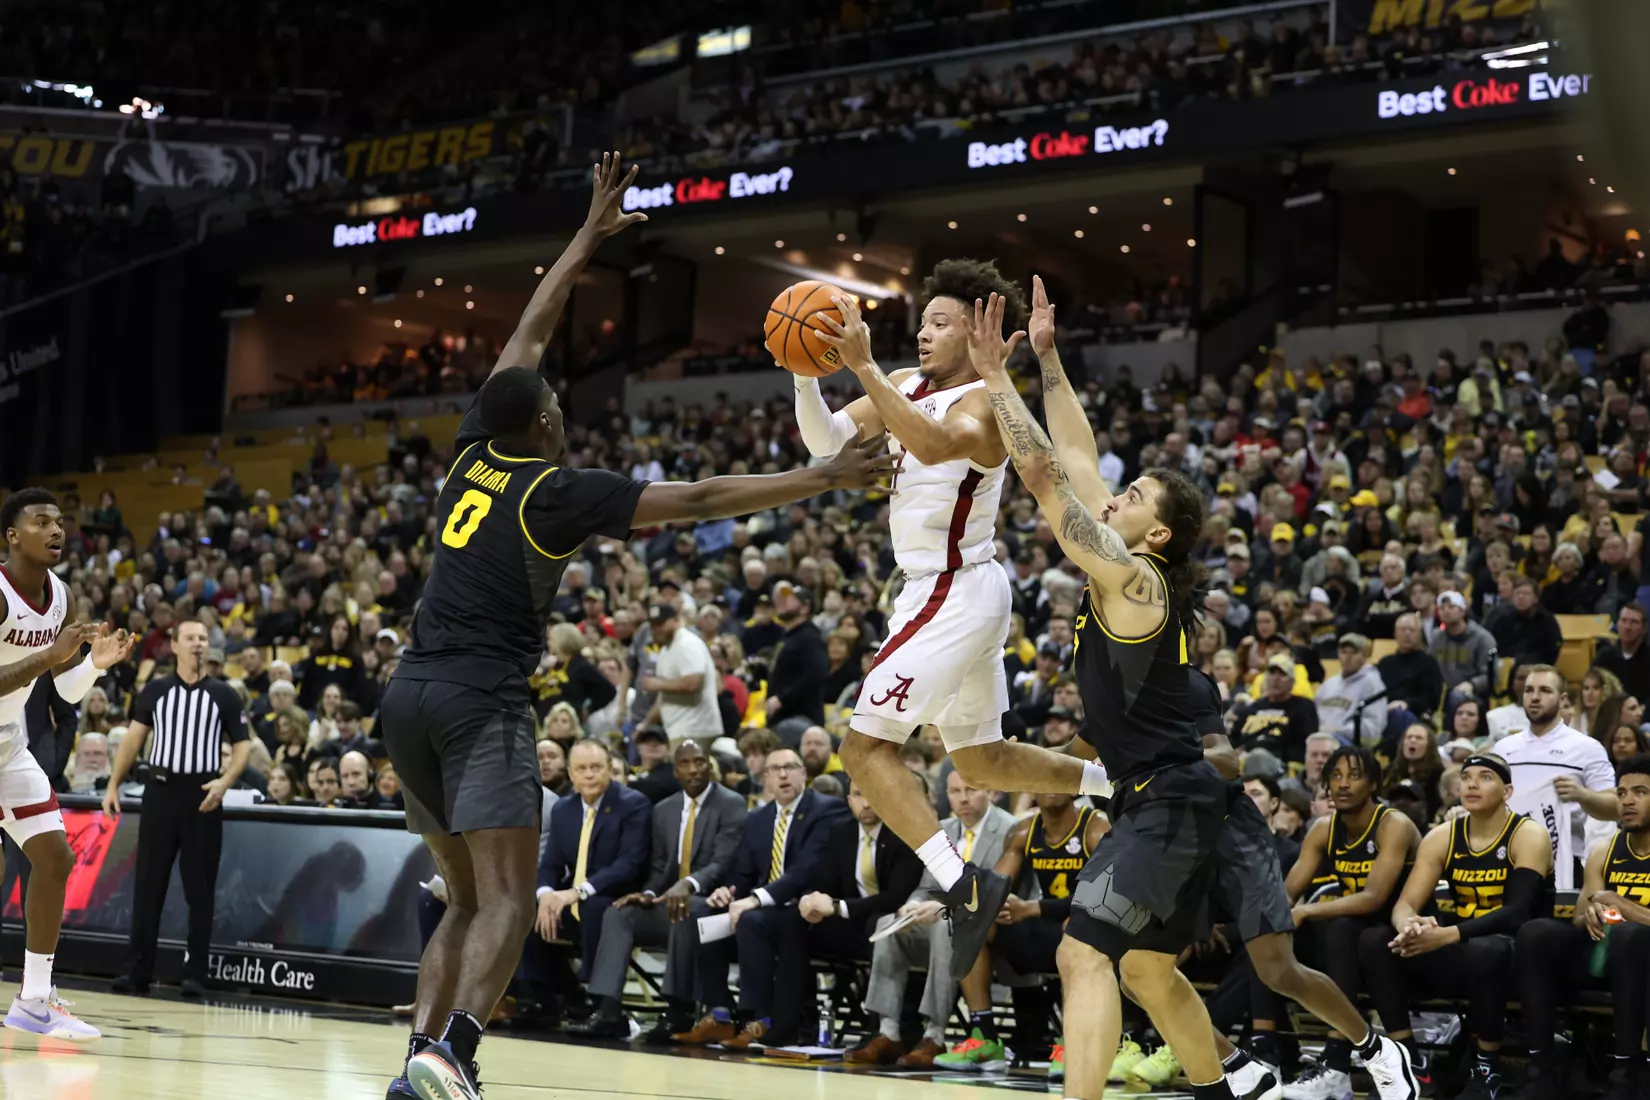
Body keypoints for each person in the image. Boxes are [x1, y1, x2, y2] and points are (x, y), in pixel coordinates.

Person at [384, 152, 892, 1100]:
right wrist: (820, 478)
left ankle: (420, 1057)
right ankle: (450, 1054)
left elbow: (527, 334)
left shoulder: (471, 454)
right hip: (479, 700)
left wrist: (584, 239)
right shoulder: (554, 489)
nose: (565, 414)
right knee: (500, 896)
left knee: (460, 900)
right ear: (540, 425)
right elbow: (697, 496)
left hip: (406, 694)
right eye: (559, 410)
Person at [800, 262, 1107, 983]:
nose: (924, 332)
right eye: (923, 322)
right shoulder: (904, 383)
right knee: (981, 760)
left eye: (940, 323)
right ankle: (1111, 783)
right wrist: (803, 371)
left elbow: (937, 445)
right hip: (942, 592)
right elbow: (823, 442)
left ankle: (962, 882)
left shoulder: (984, 406)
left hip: (953, 589)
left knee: (864, 749)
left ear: (978, 336)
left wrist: (866, 365)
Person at [971, 285, 1235, 1100]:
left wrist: (995, 379)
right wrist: (1049, 358)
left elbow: (1048, 475)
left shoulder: (1135, 578)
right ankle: (1222, 1093)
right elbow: (1081, 460)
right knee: (1149, 973)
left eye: (1134, 498)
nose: (1115, 495)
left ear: (1156, 533)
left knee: (1083, 953)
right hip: (1166, 798)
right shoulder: (1128, 565)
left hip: (1170, 803)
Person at [0, 488, 135, 1041]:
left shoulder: (62, 596)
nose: (56, 530)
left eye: (59, 522)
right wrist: (46, 657)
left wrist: (93, 667)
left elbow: (65, 689)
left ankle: (34, 999)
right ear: (12, 535)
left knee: (53, 857)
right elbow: (39, 664)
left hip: (8, 747)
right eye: (40, 521)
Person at [1359, 754, 1553, 1100]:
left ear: (1507, 791)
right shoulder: (1443, 836)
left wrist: (1445, 935)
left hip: (1515, 958)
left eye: (1485, 777)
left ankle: (1486, 1066)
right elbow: (1405, 903)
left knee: (1486, 948)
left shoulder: (1528, 834)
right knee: (1377, 941)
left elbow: (1516, 913)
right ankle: (1407, 1062)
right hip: (1461, 949)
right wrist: (1410, 927)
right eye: (1466, 778)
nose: (1473, 784)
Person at [103, 618, 252, 994]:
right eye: (190, 638)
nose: (198, 643)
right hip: (160, 791)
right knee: (148, 885)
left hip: (202, 794)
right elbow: (133, 740)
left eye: (203, 638)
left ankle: (196, 974)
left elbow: (243, 745)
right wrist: (113, 783)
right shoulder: (154, 690)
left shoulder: (224, 694)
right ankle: (137, 971)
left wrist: (225, 781)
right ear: (174, 645)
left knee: (199, 889)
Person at [572, 739, 747, 1040]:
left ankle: (678, 1009)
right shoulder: (664, 809)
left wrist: (687, 885)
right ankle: (607, 1009)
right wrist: (649, 894)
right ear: (675, 771)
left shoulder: (731, 803)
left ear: (710, 765)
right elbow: (659, 867)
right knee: (619, 913)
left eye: (700, 761)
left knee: (683, 907)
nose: (693, 769)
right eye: (685, 764)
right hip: (670, 903)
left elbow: (722, 862)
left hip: (714, 906)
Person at [1279, 746, 1422, 1097]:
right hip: (1357, 934)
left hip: (1408, 931)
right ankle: (1277, 1053)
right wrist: (1273, 924)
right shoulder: (1323, 828)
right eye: (1336, 776)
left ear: (1374, 783)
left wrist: (1307, 911)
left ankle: (1352, 1058)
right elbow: (1288, 892)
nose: (1343, 784)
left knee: (1355, 934)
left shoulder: (1393, 824)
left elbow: (1375, 898)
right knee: (1274, 940)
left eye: (1354, 776)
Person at [857, 772, 1018, 1067]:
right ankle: (887, 1031)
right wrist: (913, 905)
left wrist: (943, 909)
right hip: (939, 929)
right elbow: (924, 887)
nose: (963, 798)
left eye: (971, 789)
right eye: (955, 791)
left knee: (948, 925)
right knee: (887, 924)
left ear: (991, 791)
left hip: (989, 932)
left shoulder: (1011, 829)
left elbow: (996, 892)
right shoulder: (940, 829)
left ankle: (935, 1033)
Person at [1516, 753, 1650, 1100]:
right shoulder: (1604, 850)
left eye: (1640, 792)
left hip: (1640, 957)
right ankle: (1543, 1067)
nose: (1628, 801)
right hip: (1606, 953)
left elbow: (1626, 917)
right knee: (1536, 933)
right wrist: (1589, 912)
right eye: (1621, 793)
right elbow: (1580, 914)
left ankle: (1627, 1072)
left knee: (1630, 935)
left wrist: (1623, 907)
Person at [1496, 665, 1617, 888]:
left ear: (1562, 699)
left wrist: (1582, 796)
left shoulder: (1587, 748)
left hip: (1564, 861)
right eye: (1529, 690)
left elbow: (1614, 807)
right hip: (1506, 859)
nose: (1534, 697)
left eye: (1545, 690)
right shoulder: (1503, 749)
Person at [641, 604, 720, 750]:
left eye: (661, 624)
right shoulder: (666, 650)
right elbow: (664, 697)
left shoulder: (687, 643)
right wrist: (645, 724)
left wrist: (656, 684)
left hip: (695, 728)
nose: (657, 629)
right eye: (653, 625)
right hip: (679, 728)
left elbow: (693, 683)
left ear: (676, 620)